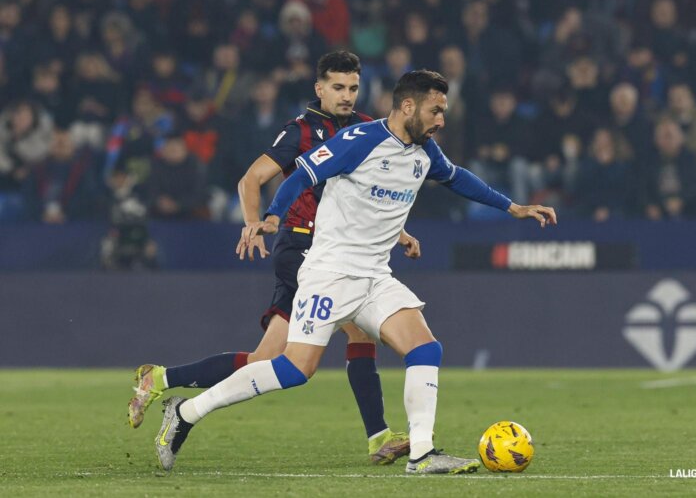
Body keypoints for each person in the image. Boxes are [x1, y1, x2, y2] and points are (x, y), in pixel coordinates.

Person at [153, 70, 556, 474]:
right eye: (436, 111)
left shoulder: (425, 152)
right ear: (408, 106)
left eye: (443, 113)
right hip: (329, 273)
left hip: (375, 276)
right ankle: (186, 412)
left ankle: (422, 453)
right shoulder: (359, 140)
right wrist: (273, 216)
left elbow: (458, 178)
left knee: (425, 348)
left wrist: (513, 207)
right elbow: (302, 174)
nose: (441, 121)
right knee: (294, 370)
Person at [128, 51, 416, 466]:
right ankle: (379, 437)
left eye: (353, 87)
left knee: (267, 360)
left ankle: (161, 379)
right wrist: (253, 221)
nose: (347, 95)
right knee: (357, 332)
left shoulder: (368, 129)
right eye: (338, 87)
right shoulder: (300, 132)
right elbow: (252, 179)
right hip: (302, 248)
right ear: (319, 89)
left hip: (338, 250)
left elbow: (366, 197)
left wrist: (399, 231)